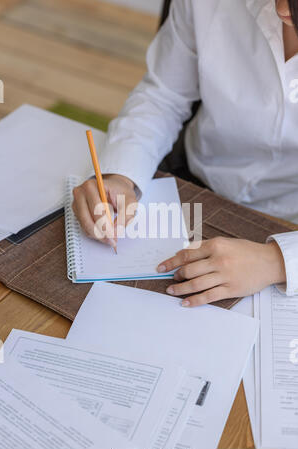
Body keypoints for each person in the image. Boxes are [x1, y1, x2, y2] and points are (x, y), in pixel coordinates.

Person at [73, 0, 298, 307]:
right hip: (196, 178)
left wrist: (277, 261)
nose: (283, 9)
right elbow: (164, 95)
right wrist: (121, 173)